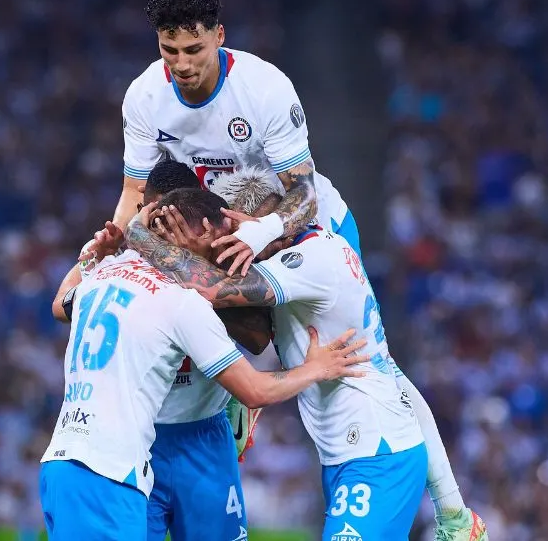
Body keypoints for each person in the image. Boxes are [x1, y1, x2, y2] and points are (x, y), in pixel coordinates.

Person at [127, 173, 487, 541]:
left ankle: (457, 518)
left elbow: (211, 289)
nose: (227, 253)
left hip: (377, 453)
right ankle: (457, 518)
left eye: (230, 241)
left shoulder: (310, 260)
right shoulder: (299, 256)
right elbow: (254, 334)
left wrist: (139, 235)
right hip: (346, 455)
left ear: (254, 226)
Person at [39, 188, 368, 541]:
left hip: (64, 461)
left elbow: (61, 303)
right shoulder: (183, 302)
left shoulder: (106, 273)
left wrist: (95, 253)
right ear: (199, 233)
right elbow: (254, 390)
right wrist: (315, 368)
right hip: (108, 474)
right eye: (223, 239)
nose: (227, 253)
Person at [53, 160, 269, 541]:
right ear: (143, 211)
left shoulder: (213, 256)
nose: (165, 230)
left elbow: (258, 338)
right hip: (139, 441)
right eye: (158, 216)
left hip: (203, 433)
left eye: (176, 218)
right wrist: (97, 256)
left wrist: (193, 275)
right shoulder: (119, 259)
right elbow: (61, 307)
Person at [101, 0, 360, 277]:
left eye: (194, 49)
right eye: (170, 50)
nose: (182, 64)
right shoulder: (143, 96)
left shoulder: (265, 88)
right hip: (225, 242)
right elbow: (135, 190)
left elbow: (305, 192)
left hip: (309, 232)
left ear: (219, 36)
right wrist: (114, 242)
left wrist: (261, 232)